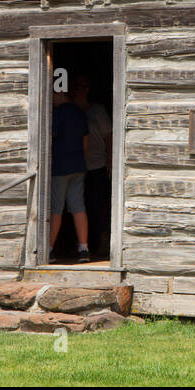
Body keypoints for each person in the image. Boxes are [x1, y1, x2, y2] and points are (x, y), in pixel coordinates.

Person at [49, 76, 90, 263]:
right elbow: (85, 141)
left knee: (56, 209)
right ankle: (84, 248)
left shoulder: (56, 114)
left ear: (59, 92)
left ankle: (48, 249)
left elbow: (50, 137)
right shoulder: (80, 112)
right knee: (78, 207)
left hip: (60, 167)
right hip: (78, 165)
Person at [79, 77, 113, 259]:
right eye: (78, 86)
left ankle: (102, 242)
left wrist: (109, 158)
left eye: (85, 86)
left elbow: (109, 136)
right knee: (80, 207)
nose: (81, 90)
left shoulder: (97, 111)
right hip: (78, 167)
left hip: (97, 165)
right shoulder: (72, 110)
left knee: (98, 206)